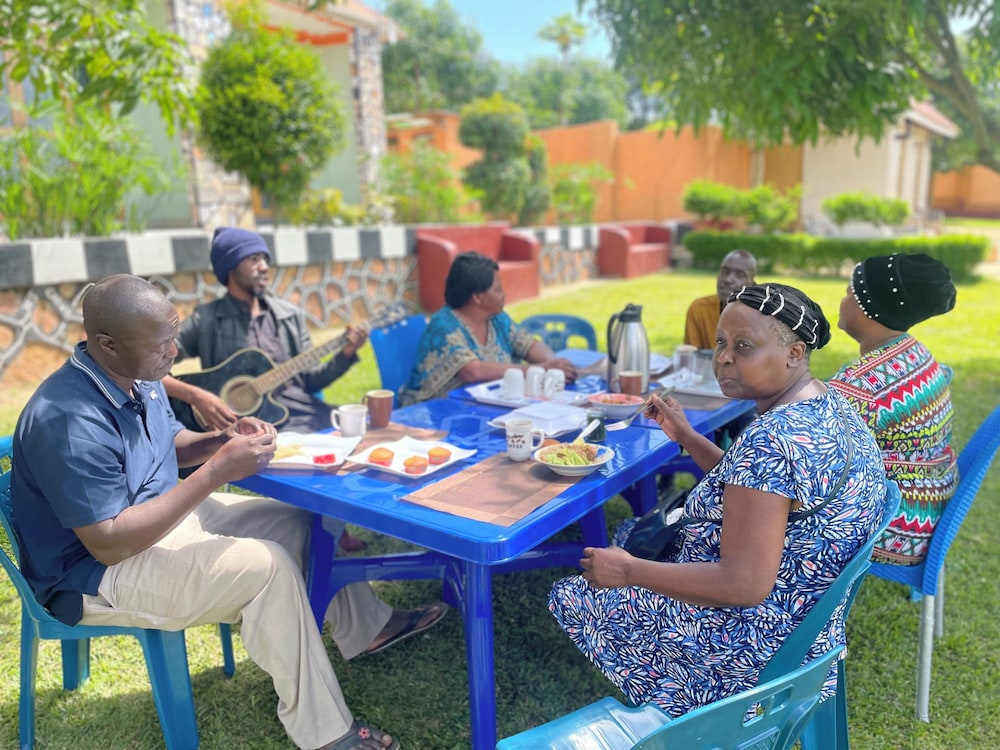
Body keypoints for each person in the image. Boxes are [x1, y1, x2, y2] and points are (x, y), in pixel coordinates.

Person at [10, 274, 448, 750]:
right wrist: (218, 469)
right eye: (161, 345)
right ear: (107, 344)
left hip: (155, 523)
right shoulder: (68, 419)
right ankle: (327, 735)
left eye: (174, 336)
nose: (174, 352)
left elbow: (169, 444)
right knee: (267, 567)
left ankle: (368, 628)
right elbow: (110, 542)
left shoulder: (139, 375)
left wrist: (222, 440)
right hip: (94, 573)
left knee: (298, 522)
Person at [548, 282, 887, 718]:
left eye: (743, 346)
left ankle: (676, 712)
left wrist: (629, 571)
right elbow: (760, 491)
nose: (724, 357)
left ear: (794, 352)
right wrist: (687, 436)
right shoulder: (828, 404)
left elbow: (743, 585)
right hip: (810, 624)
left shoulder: (772, 441)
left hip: (752, 644)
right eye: (721, 342)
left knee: (577, 592)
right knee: (633, 535)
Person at [165, 226, 368, 551]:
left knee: (357, 433)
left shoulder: (289, 317)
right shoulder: (207, 319)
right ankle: (324, 534)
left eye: (265, 259)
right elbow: (151, 364)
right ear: (230, 269)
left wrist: (345, 354)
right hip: (246, 423)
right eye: (253, 259)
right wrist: (195, 395)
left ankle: (329, 526)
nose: (263, 267)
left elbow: (312, 380)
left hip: (300, 412)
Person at [829, 253, 958, 566]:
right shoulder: (916, 352)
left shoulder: (862, 384)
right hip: (928, 506)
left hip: (897, 524)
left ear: (868, 307)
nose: (843, 301)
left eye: (849, 292)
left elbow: (812, 456)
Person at [398, 251, 578, 405]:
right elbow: (472, 371)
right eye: (497, 289)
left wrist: (554, 367)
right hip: (430, 413)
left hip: (480, 406)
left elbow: (530, 346)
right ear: (477, 297)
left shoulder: (496, 318)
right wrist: (542, 369)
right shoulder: (444, 326)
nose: (503, 294)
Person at [683, 249, 757, 350]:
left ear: (752, 285)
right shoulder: (699, 309)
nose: (728, 280)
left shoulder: (762, 318)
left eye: (740, 274)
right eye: (725, 272)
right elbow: (691, 355)